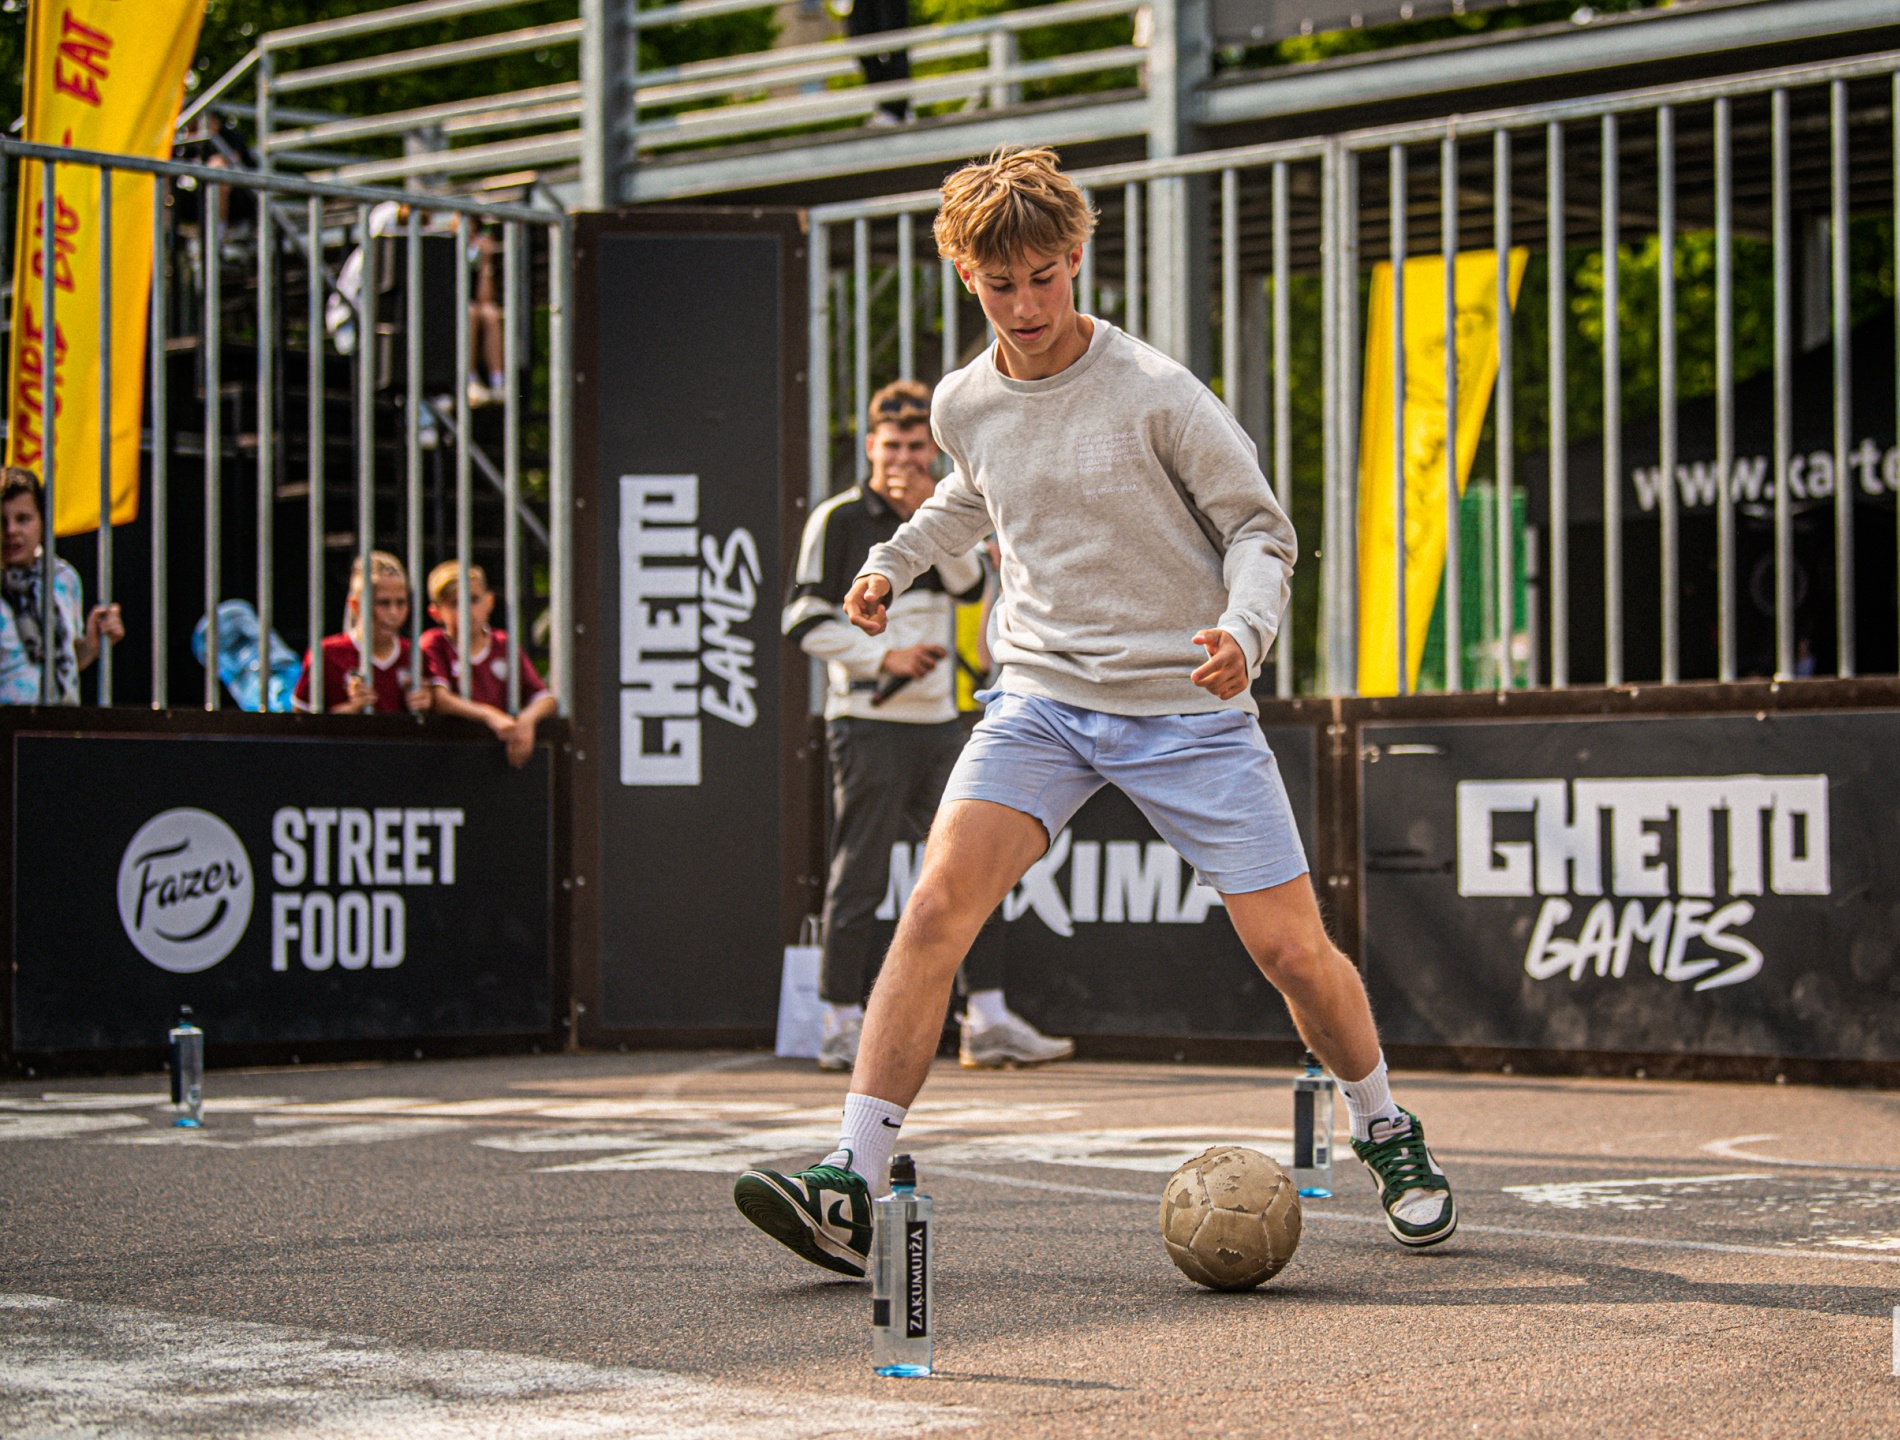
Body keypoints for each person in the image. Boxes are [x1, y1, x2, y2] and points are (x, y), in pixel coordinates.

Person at [735, 147, 1457, 1277]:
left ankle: (1386, 1127)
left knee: (1291, 952)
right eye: (999, 285)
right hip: (1041, 698)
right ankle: (849, 1182)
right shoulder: (964, 401)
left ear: (1076, 257)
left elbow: (1261, 531)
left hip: (1186, 704)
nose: (1025, 306)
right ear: (965, 275)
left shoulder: (1157, 392)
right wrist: (888, 562)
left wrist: (1245, 632)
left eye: (1043, 278)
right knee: (933, 910)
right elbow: (972, 496)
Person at [785, 378, 1073, 1073]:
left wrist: (924, 519)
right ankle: (838, 1023)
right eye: (893, 447)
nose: (905, 461)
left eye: (917, 448)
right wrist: (883, 657)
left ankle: (987, 1020)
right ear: (870, 447)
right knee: (860, 872)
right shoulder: (838, 518)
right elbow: (802, 619)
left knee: (977, 866)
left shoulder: (942, 510)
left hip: (944, 723)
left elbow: (970, 586)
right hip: (868, 723)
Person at [0, 467, 121, 705]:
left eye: (23, 519)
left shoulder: (63, 579)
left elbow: (63, 662)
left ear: (42, 521)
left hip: (60, 720)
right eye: (1, 521)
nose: (11, 530)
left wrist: (92, 644)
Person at [416, 561, 555, 768]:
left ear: (489, 602)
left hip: (499, 761)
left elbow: (545, 698)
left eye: (474, 599)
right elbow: (440, 699)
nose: (466, 610)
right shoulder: (434, 642)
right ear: (435, 612)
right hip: (447, 760)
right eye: (455, 603)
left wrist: (527, 720)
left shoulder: (504, 644)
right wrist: (490, 716)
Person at [296, 551, 421, 714]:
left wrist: (428, 706)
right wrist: (352, 710)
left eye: (401, 602)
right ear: (355, 606)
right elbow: (299, 720)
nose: (393, 613)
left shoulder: (416, 655)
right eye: (383, 603)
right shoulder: (326, 654)